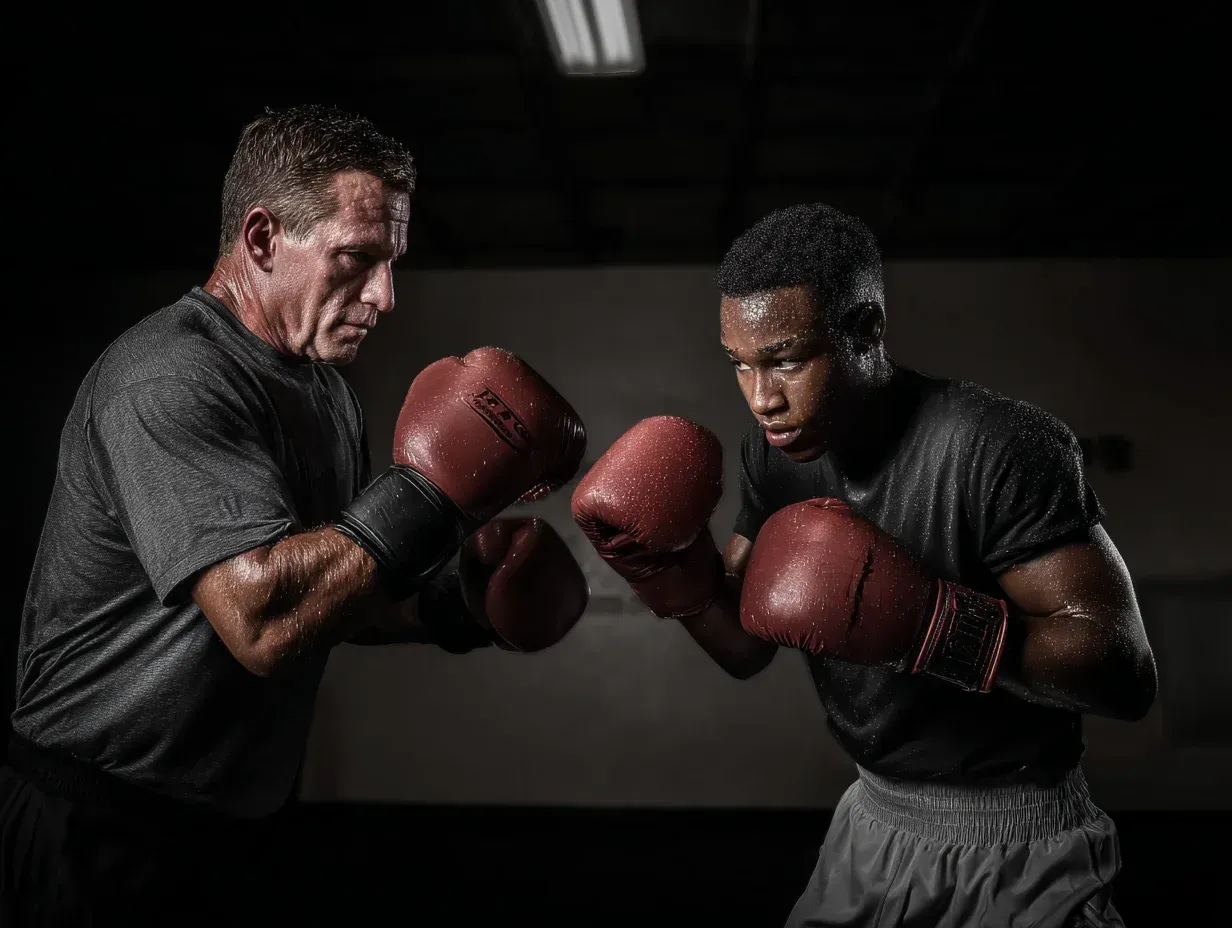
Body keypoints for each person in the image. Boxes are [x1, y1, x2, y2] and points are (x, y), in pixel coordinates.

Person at [1, 104, 589, 926]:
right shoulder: (171, 377)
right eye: (357, 258)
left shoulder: (324, 393)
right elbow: (265, 619)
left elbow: (330, 590)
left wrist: (459, 604)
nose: (384, 296)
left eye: (392, 262)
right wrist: (433, 493)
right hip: (102, 824)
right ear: (263, 239)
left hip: (239, 822)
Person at [572, 203, 1157, 927]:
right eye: (741, 365)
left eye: (786, 358)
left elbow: (1126, 673)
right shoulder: (774, 457)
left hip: (1021, 839)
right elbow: (745, 647)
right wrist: (661, 569)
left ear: (867, 332)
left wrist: (932, 624)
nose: (762, 398)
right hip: (873, 819)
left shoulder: (999, 446)